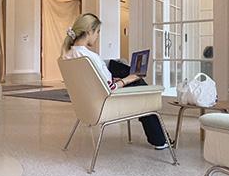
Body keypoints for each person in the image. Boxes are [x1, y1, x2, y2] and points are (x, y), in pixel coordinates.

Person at [61, 13, 171, 150]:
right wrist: (127, 80)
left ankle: (159, 137)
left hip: (87, 105)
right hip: (105, 103)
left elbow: (93, 82)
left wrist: (115, 80)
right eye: (97, 32)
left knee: (121, 69)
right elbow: (109, 89)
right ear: (89, 31)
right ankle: (160, 139)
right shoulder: (89, 57)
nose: (97, 36)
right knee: (142, 88)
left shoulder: (67, 55)